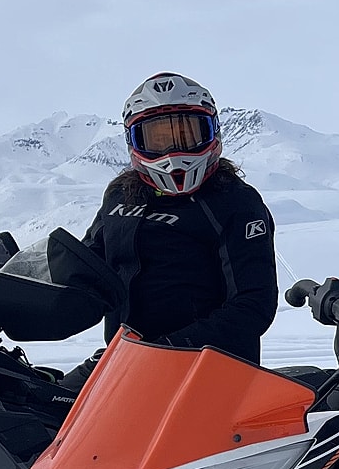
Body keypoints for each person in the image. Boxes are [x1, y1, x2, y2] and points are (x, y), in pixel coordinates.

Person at [81, 72, 278, 362]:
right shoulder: (119, 197)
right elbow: (87, 270)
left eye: (187, 135)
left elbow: (253, 303)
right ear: (134, 141)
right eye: (158, 139)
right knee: (32, 399)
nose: (174, 150)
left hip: (208, 368)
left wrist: (172, 348)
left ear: (213, 132)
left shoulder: (235, 201)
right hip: (125, 364)